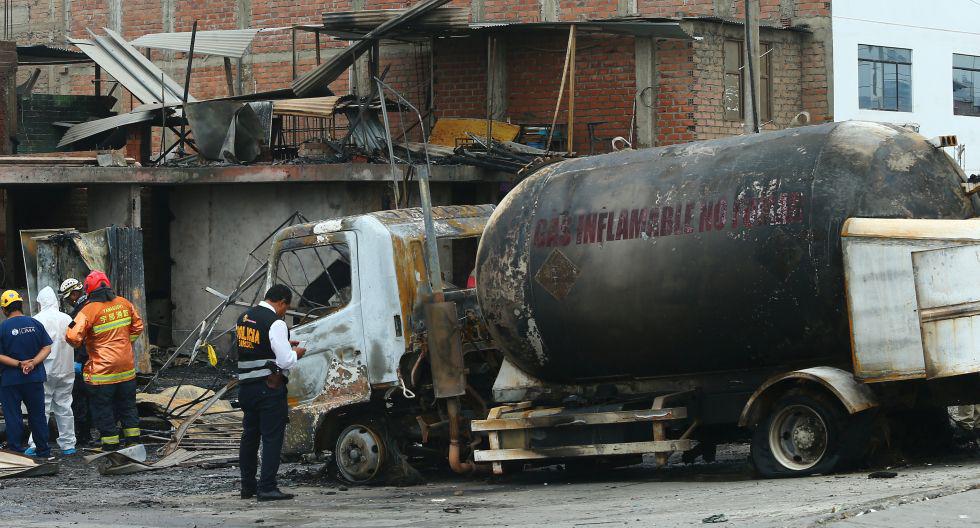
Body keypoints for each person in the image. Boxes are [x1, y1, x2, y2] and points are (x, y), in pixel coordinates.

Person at [237, 284, 306, 501]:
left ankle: (248, 486)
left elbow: (257, 347)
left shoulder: (244, 317)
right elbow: (285, 360)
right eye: (286, 307)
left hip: (246, 388)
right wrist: (296, 353)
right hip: (269, 388)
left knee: (250, 437)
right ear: (282, 302)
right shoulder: (275, 322)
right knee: (271, 439)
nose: (285, 312)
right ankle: (267, 487)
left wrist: (284, 344)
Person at [65, 271, 144, 451]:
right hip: (126, 370)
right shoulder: (124, 303)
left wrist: (74, 329)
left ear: (88, 290)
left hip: (102, 373)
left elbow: (72, 336)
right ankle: (133, 442)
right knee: (128, 406)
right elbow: (138, 326)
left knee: (103, 408)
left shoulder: (88, 309)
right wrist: (124, 344)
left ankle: (110, 444)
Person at [0, 290, 54, 460]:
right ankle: (43, 451)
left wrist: (18, 364)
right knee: (37, 415)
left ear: (4, 309)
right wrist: (32, 363)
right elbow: (47, 347)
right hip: (34, 377)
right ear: (21, 305)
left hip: (10, 380)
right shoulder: (35, 323)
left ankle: (16, 452)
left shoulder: (2, 328)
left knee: (13, 416)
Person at [25, 287, 76, 456]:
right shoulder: (68, 318)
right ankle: (68, 444)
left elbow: (33, 346)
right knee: (65, 406)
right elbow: (76, 336)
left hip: (45, 369)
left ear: (41, 303)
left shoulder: (37, 320)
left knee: (42, 407)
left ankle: (35, 443)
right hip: (67, 368)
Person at [59, 278, 91, 447]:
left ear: (75, 293)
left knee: (80, 398)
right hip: (95, 360)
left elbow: (84, 339)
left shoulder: (83, 311)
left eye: (68, 297)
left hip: (86, 360)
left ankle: (84, 435)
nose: (68, 302)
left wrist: (78, 360)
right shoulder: (87, 306)